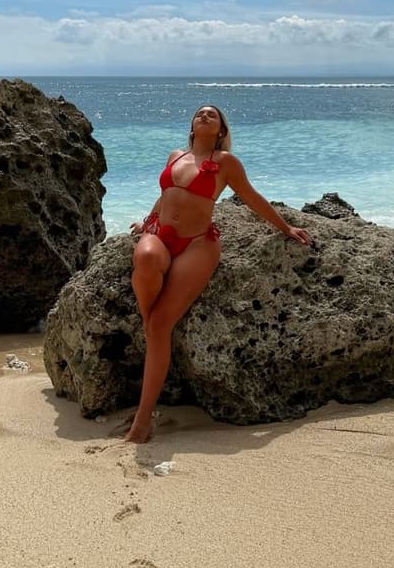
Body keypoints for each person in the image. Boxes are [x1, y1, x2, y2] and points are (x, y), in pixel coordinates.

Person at [123, 103, 311, 443]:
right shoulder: (175, 156)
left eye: (213, 115)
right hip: (159, 236)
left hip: (198, 245)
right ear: (192, 126)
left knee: (159, 326)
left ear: (221, 130)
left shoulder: (226, 163)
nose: (205, 116)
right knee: (147, 261)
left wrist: (285, 227)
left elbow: (251, 198)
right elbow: (165, 194)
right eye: (200, 113)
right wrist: (145, 220)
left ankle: (143, 418)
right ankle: (152, 329)